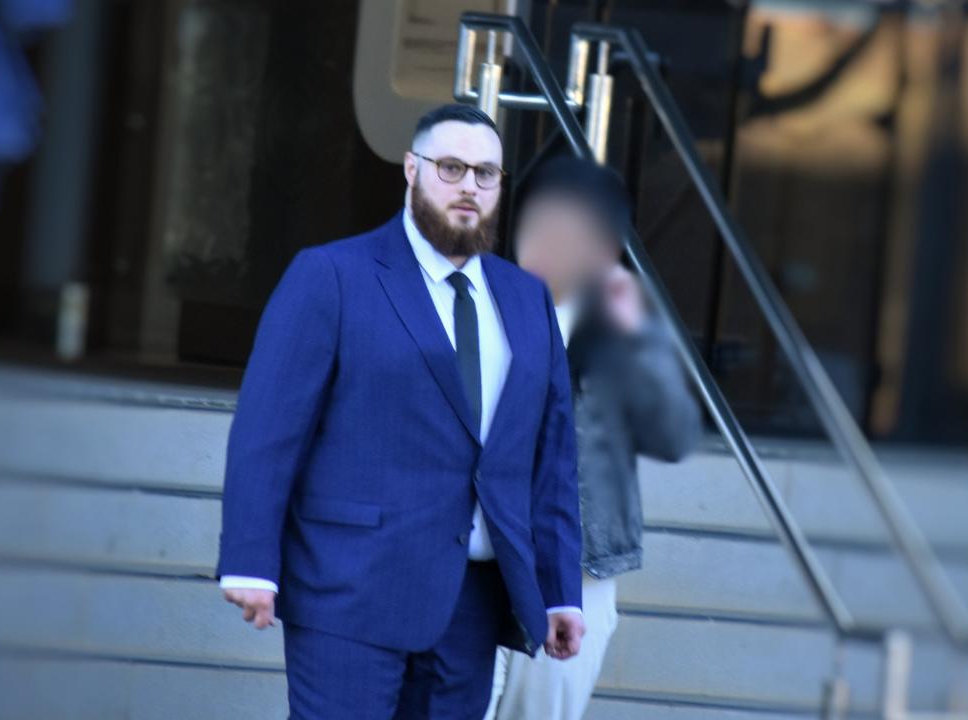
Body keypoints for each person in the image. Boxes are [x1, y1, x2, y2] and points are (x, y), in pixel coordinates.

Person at [217, 104, 586, 720]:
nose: (470, 185)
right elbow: (268, 432)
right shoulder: (332, 275)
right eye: (451, 167)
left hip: (471, 601)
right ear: (411, 171)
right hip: (349, 587)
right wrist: (250, 561)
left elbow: (551, 460)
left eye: (487, 173)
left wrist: (558, 591)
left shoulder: (527, 299)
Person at [485, 156, 701, 720]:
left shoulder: (619, 326)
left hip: (581, 568)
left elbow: (675, 436)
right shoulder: (482, 301)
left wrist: (640, 339)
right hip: (482, 555)